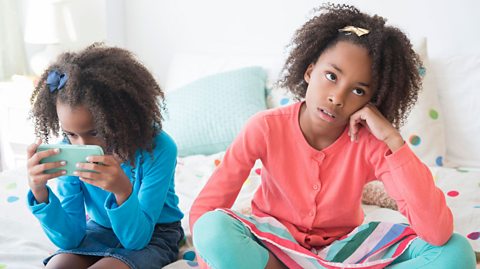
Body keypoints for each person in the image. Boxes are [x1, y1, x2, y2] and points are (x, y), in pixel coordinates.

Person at [189, 4, 476, 269]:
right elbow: (206, 210)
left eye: (359, 90)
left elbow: (436, 232)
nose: (337, 98)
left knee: (456, 251)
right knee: (211, 228)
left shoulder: (372, 143)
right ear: (310, 70)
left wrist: (392, 139)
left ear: (373, 101)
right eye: (332, 76)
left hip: (346, 250)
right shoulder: (264, 127)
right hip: (271, 245)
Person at [26, 43, 184, 269]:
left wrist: (121, 191)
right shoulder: (68, 151)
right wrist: (40, 193)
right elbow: (70, 239)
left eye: (95, 132)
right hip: (100, 228)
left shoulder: (158, 148)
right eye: (71, 134)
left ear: (122, 116)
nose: (82, 145)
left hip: (153, 232)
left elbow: (136, 240)